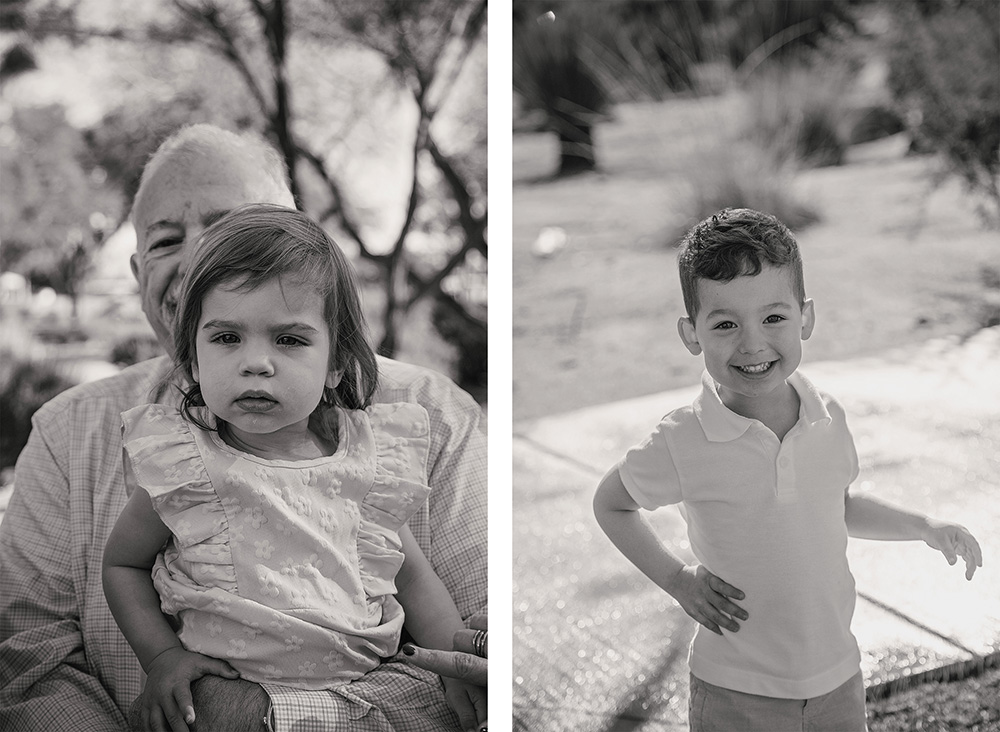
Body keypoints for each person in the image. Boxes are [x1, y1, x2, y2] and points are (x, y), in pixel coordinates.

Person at [0, 124, 487, 732]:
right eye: (166, 240)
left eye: (236, 228)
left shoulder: (407, 433)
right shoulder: (117, 445)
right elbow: (30, 664)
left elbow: (463, 634)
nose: (203, 258)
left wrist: (270, 718)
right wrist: (166, 658)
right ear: (136, 272)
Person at [592, 208, 982, 732]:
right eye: (725, 324)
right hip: (735, 689)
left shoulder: (827, 417)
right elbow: (611, 503)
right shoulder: (682, 438)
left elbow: (838, 505)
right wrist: (678, 581)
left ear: (806, 318)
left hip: (837, 678)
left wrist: (924, 527)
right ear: (691, 335)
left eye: (773, 317)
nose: (752, 343)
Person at [102, 203, 484, 732]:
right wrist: (161, 657)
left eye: (289, 339)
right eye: (227, 337)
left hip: (363, 695)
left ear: (334, 367)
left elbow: (412, 575)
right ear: (191, 359)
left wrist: (453, 664)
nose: (256, 361)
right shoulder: (187, 465)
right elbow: (122, 566)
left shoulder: (366, 461)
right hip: (227, 699)